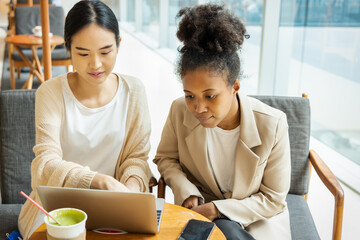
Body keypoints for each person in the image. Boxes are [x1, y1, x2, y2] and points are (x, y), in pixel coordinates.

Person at [154, 4, 291, 240]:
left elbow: (272, 199)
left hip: (259, 219)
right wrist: (186, 191)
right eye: (190, 95)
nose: (198, 108)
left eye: (210, 95)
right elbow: (166, 158)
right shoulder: (179, 110)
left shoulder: (273, 124)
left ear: (235, 86)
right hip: (201, 213)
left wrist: (218, 209)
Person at [18, 1, 151, 239]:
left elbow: (136, 158)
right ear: (68, 48)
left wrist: (129, 194)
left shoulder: (134, 91)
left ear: (119, 45)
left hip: (114, 210)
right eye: (83, 53)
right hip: (55, 213)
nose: (96, 64)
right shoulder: (50, 92)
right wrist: (98, 182)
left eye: (105, 51)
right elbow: (45, 165)